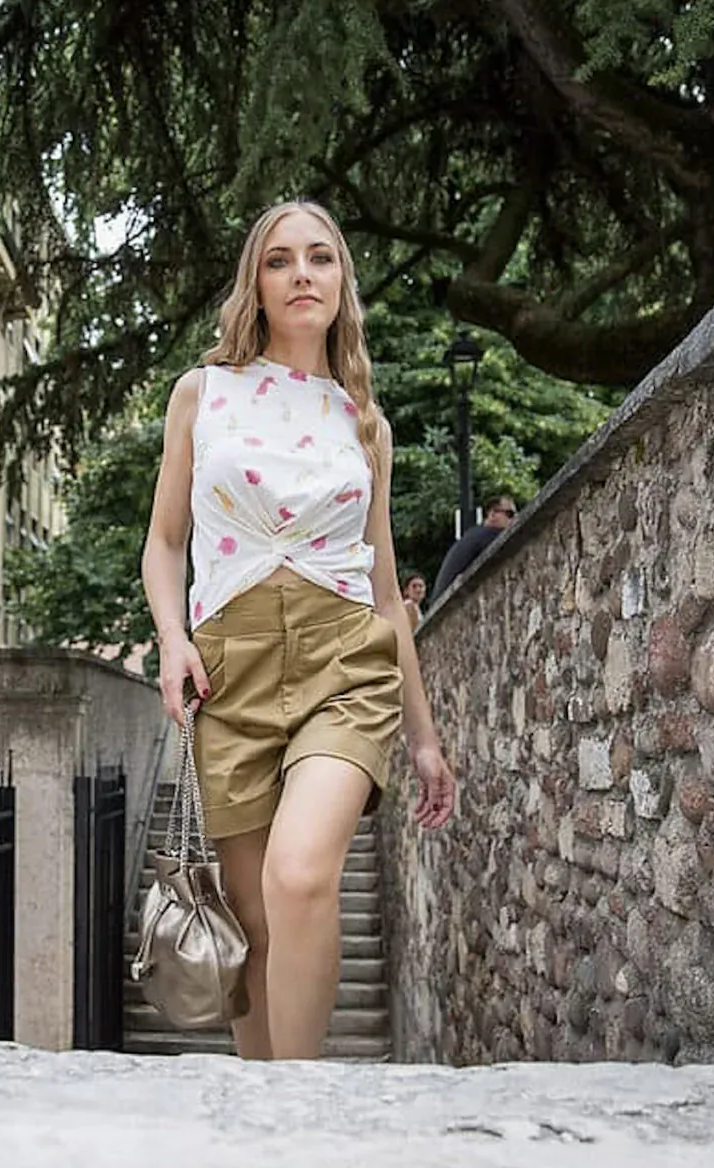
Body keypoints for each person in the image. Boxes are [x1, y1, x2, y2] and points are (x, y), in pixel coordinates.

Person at [140, 199, 457, 1061]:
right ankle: (261, 1104)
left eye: (319, 257)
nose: (301, 274)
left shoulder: (363, 422)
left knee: (300, 874)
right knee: (253, 925)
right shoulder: (202, 394)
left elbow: (385, 591)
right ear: (256, 285)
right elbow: (164, 543)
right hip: (228, 671)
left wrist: (423, 738)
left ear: (341, 279)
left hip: (343, 665)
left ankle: (303, 1102)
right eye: (278, 261)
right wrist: (171, 638)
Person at [429, 494, 517, 602]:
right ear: (492, 514)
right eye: (509, 514)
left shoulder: (474, 535)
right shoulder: (490, 534)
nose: (514, 519)